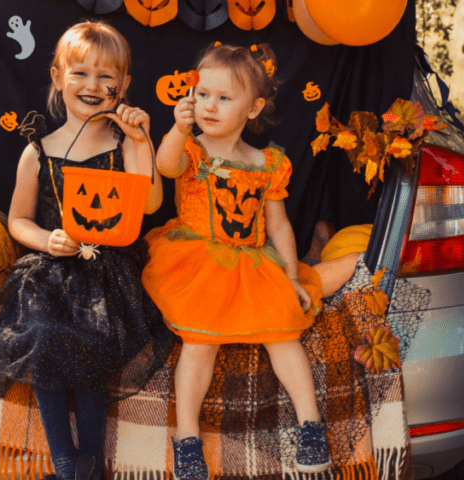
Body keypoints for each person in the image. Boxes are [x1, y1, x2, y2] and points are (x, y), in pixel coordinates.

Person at [0, 21, 173, 480]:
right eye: (80, 73)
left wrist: (143, 141)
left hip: (108, 269)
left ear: (123, 87)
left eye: (106, 78)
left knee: (93, 339)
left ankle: (90, 460)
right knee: (44, 334)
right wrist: (46, 239)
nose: (92, 86)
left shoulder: (124, 145)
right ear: (58, 77)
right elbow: (17, 220)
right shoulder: (38, 152)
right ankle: (65, 460)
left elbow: (151, 203)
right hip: (50, 270)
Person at [141, 43, 330, 480]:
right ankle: (187, 439)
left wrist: (290, 274)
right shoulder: (190, 150)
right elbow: (165, 167)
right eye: (203, 94)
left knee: (283, 335)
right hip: (198, 258)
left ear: (253, 107)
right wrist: (176, 128)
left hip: (252, 262)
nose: (210, 106)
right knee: (199, 343)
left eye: (225, 98)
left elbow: (279, 226)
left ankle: (311, 425)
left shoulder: (267, 163)